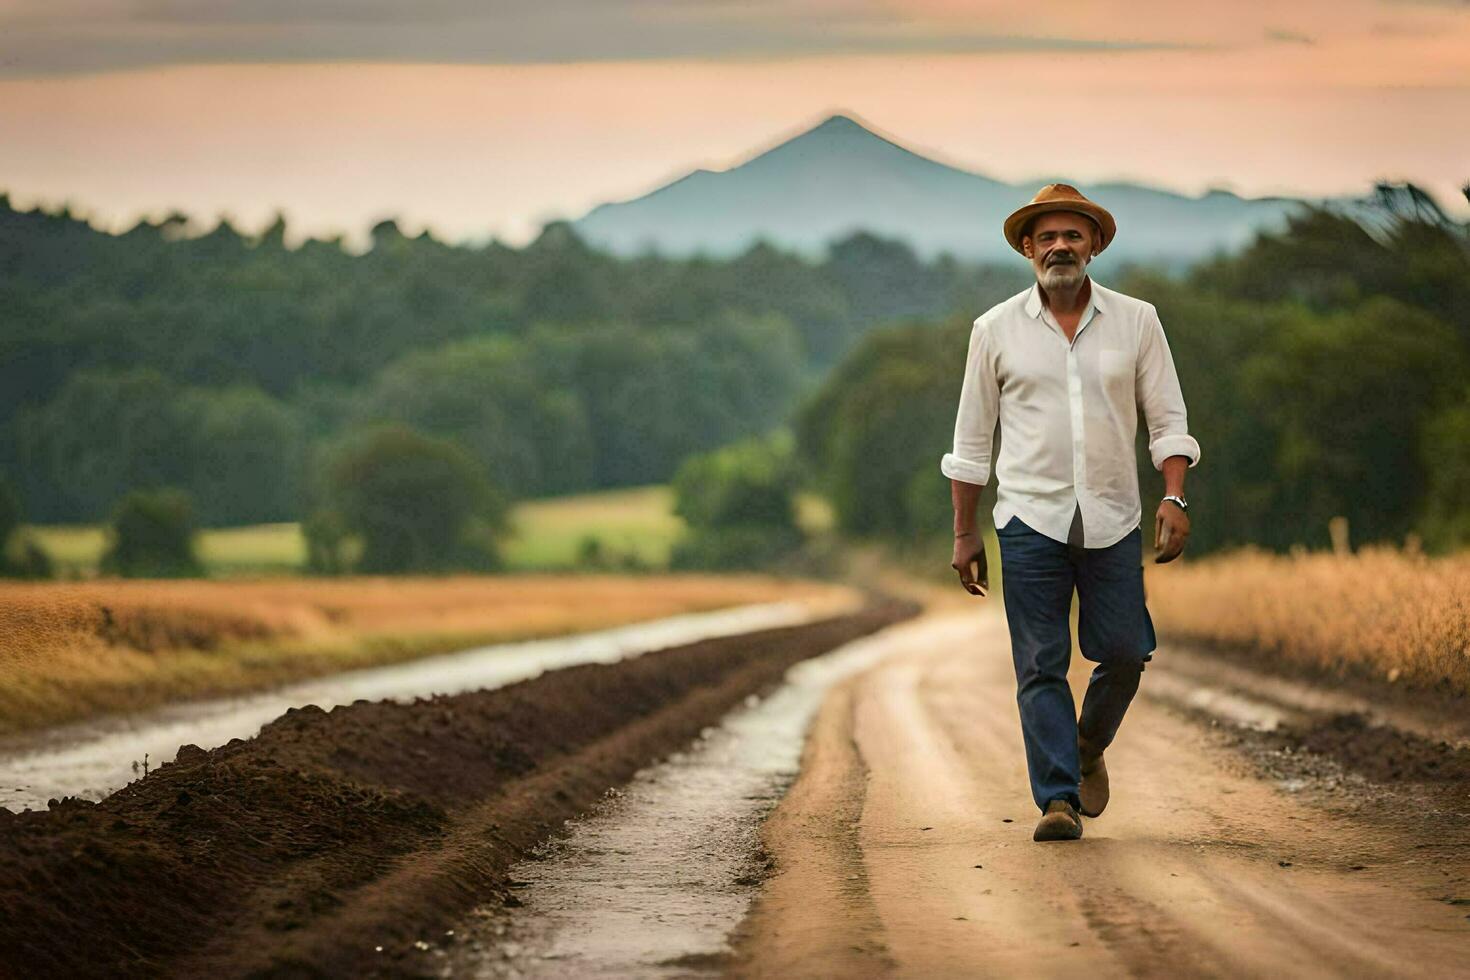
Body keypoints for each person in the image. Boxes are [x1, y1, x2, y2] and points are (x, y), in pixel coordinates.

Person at [941, 183, 1200, 842]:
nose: (1059, 246)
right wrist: (965, 530)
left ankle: (1085, 747)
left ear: (1094, 246)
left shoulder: (1137, 320)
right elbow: (971, 443)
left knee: (1125, 651)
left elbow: (1167, 419)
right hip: (1028, 521)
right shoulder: (993, 330)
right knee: (1040, 664)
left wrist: (1173, 495)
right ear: (1028, 249)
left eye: (1072, 235)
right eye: (1047, 237)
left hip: (1114, 517)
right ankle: (1059, 797)